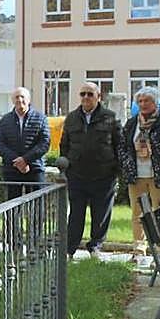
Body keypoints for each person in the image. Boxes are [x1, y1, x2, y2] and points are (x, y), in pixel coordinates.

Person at [60, 82, 123, 260]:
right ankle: (69, 250)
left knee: (101, 215)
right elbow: (64, 145)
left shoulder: (110, 117)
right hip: (77, 176)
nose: (86, 97)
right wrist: (67, 167)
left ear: (98, 97)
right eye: (83, 94)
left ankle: (95, 246)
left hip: (103, 176)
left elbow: (120, 146)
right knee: (75, 215)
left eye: (90, 94)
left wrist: (115, 171)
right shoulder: (71, 118)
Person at [120, 86, 160, 260]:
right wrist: (127, 165)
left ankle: (159, 251)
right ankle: (138, 250)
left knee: (159, 214)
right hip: (136, 176)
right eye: (140, 101)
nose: (143, 104)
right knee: (137, 214)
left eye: (147, 101)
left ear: (155, 103)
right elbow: (122, 148)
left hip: (158, 178)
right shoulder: (131, 124)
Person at [0, 87, 51, 201]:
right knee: (12, 207)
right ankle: (13, 220)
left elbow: (44, 143)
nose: (19, 100)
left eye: (22, 97)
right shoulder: (5, 120)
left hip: (34, 168)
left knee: (37, 206)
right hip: (12, 168)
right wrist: (17, 161)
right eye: (16, 97)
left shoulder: (40, 118)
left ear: (28, 100)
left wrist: (25, 159)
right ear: (13, 101)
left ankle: (37, 220)